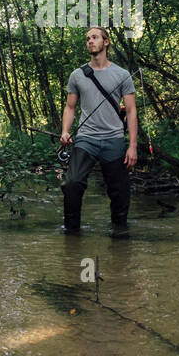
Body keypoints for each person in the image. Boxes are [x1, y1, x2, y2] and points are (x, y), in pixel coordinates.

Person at [59, 26, 138, 238]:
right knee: (72, 182)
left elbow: (130, 111)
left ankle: (120, 234)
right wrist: (65, 130)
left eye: (95, 37)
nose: (90, 41)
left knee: (119, 192)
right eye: (87, 39)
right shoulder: (77, 75)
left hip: (114, 140)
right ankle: (71, 232)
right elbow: (70, 107)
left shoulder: (122, 75)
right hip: (86, 139)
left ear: (106, 41)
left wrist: (132, 146)